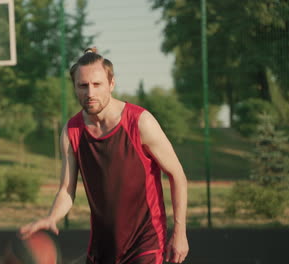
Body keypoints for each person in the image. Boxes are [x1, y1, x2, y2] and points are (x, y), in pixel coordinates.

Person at [20, 48, 189, 264]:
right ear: (75, 87)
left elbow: (177, 175)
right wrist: (51, 218)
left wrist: (180, 232)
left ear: (111, 84)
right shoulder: (72, 131)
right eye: (83, 85)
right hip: (102, 247)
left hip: (145, 243)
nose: (90, 93)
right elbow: (66, 190)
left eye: (97, 84)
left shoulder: (139, 122)